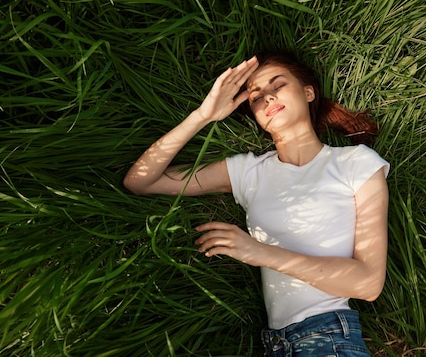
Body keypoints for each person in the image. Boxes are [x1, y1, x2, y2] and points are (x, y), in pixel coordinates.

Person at [123, 52, 389, 356]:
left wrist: (260, 252)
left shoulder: (356, 164)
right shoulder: (249, 172)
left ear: (308, 91)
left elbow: (368, 284)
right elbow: (141, 181)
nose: (268, 96)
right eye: (256, 95)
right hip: (275, 345)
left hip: (329, 339)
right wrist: (203, 115)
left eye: (278, 84)